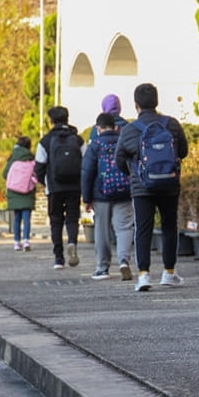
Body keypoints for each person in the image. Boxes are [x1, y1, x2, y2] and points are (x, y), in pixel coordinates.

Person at [115, 82, 188, 291]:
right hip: (169, 184)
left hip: (141, 187)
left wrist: (133, 173)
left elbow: (119, 159)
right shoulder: (171, 124)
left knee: (143, 229)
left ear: (136, 104)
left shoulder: (129, 130)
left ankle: (144, 275)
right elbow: (183, 151)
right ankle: (169, 272)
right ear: (156, 102)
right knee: (169, 226)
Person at [81, 112, 134, 281]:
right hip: (124, 192)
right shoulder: (123, 142)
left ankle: (102, 268)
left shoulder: (95, 145)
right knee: (124, 227)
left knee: (101, 230)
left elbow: (87, 172)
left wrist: (87, 198)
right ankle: (124, 261)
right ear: (116, 127)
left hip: (101, 194)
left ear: (98, 128)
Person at [35, 106, 86, 269]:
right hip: (74, 186)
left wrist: (45, 182)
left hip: (54, 187)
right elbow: (86, 163)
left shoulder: (45, 141)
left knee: (56, 221)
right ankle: (72, 242)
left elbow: (39, 168)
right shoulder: (78, 140)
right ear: (67, 119)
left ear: (51, 121)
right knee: (72, 218)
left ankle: (58, 258)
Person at [2, 136, 36, 251]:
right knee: (27, 218)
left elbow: (5, 174)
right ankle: (26, 240)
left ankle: (17, 242)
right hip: (27, 191)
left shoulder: (12, 158)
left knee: (17, 218)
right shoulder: (31, 157)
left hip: (14, 191)